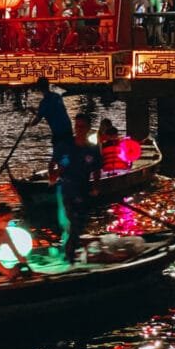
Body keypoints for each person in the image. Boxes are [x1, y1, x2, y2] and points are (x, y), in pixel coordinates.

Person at [50, 113, 102, 264]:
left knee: (81, 221)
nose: (78, 129)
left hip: (84, 188)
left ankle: (72, 247)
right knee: (74, 221)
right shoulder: (65, 146)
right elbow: (53, 163)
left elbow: (97, 169)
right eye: (77, 126)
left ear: (88, 129)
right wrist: (52, 177)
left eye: (82, 126)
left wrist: (96, 187)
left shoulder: (92, 150)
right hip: (68, 188)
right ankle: (69, 255)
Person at [28, 75, 74, 167]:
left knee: (56, 158)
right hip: (68, 130)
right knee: (65, 155)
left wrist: (28, 125)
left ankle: (58, 175)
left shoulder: (44, 103)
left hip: (59, 133)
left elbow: (37, 120)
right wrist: (36, 111)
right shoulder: (57, 96)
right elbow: (51, 110)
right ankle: (65, 169)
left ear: (39, 88)